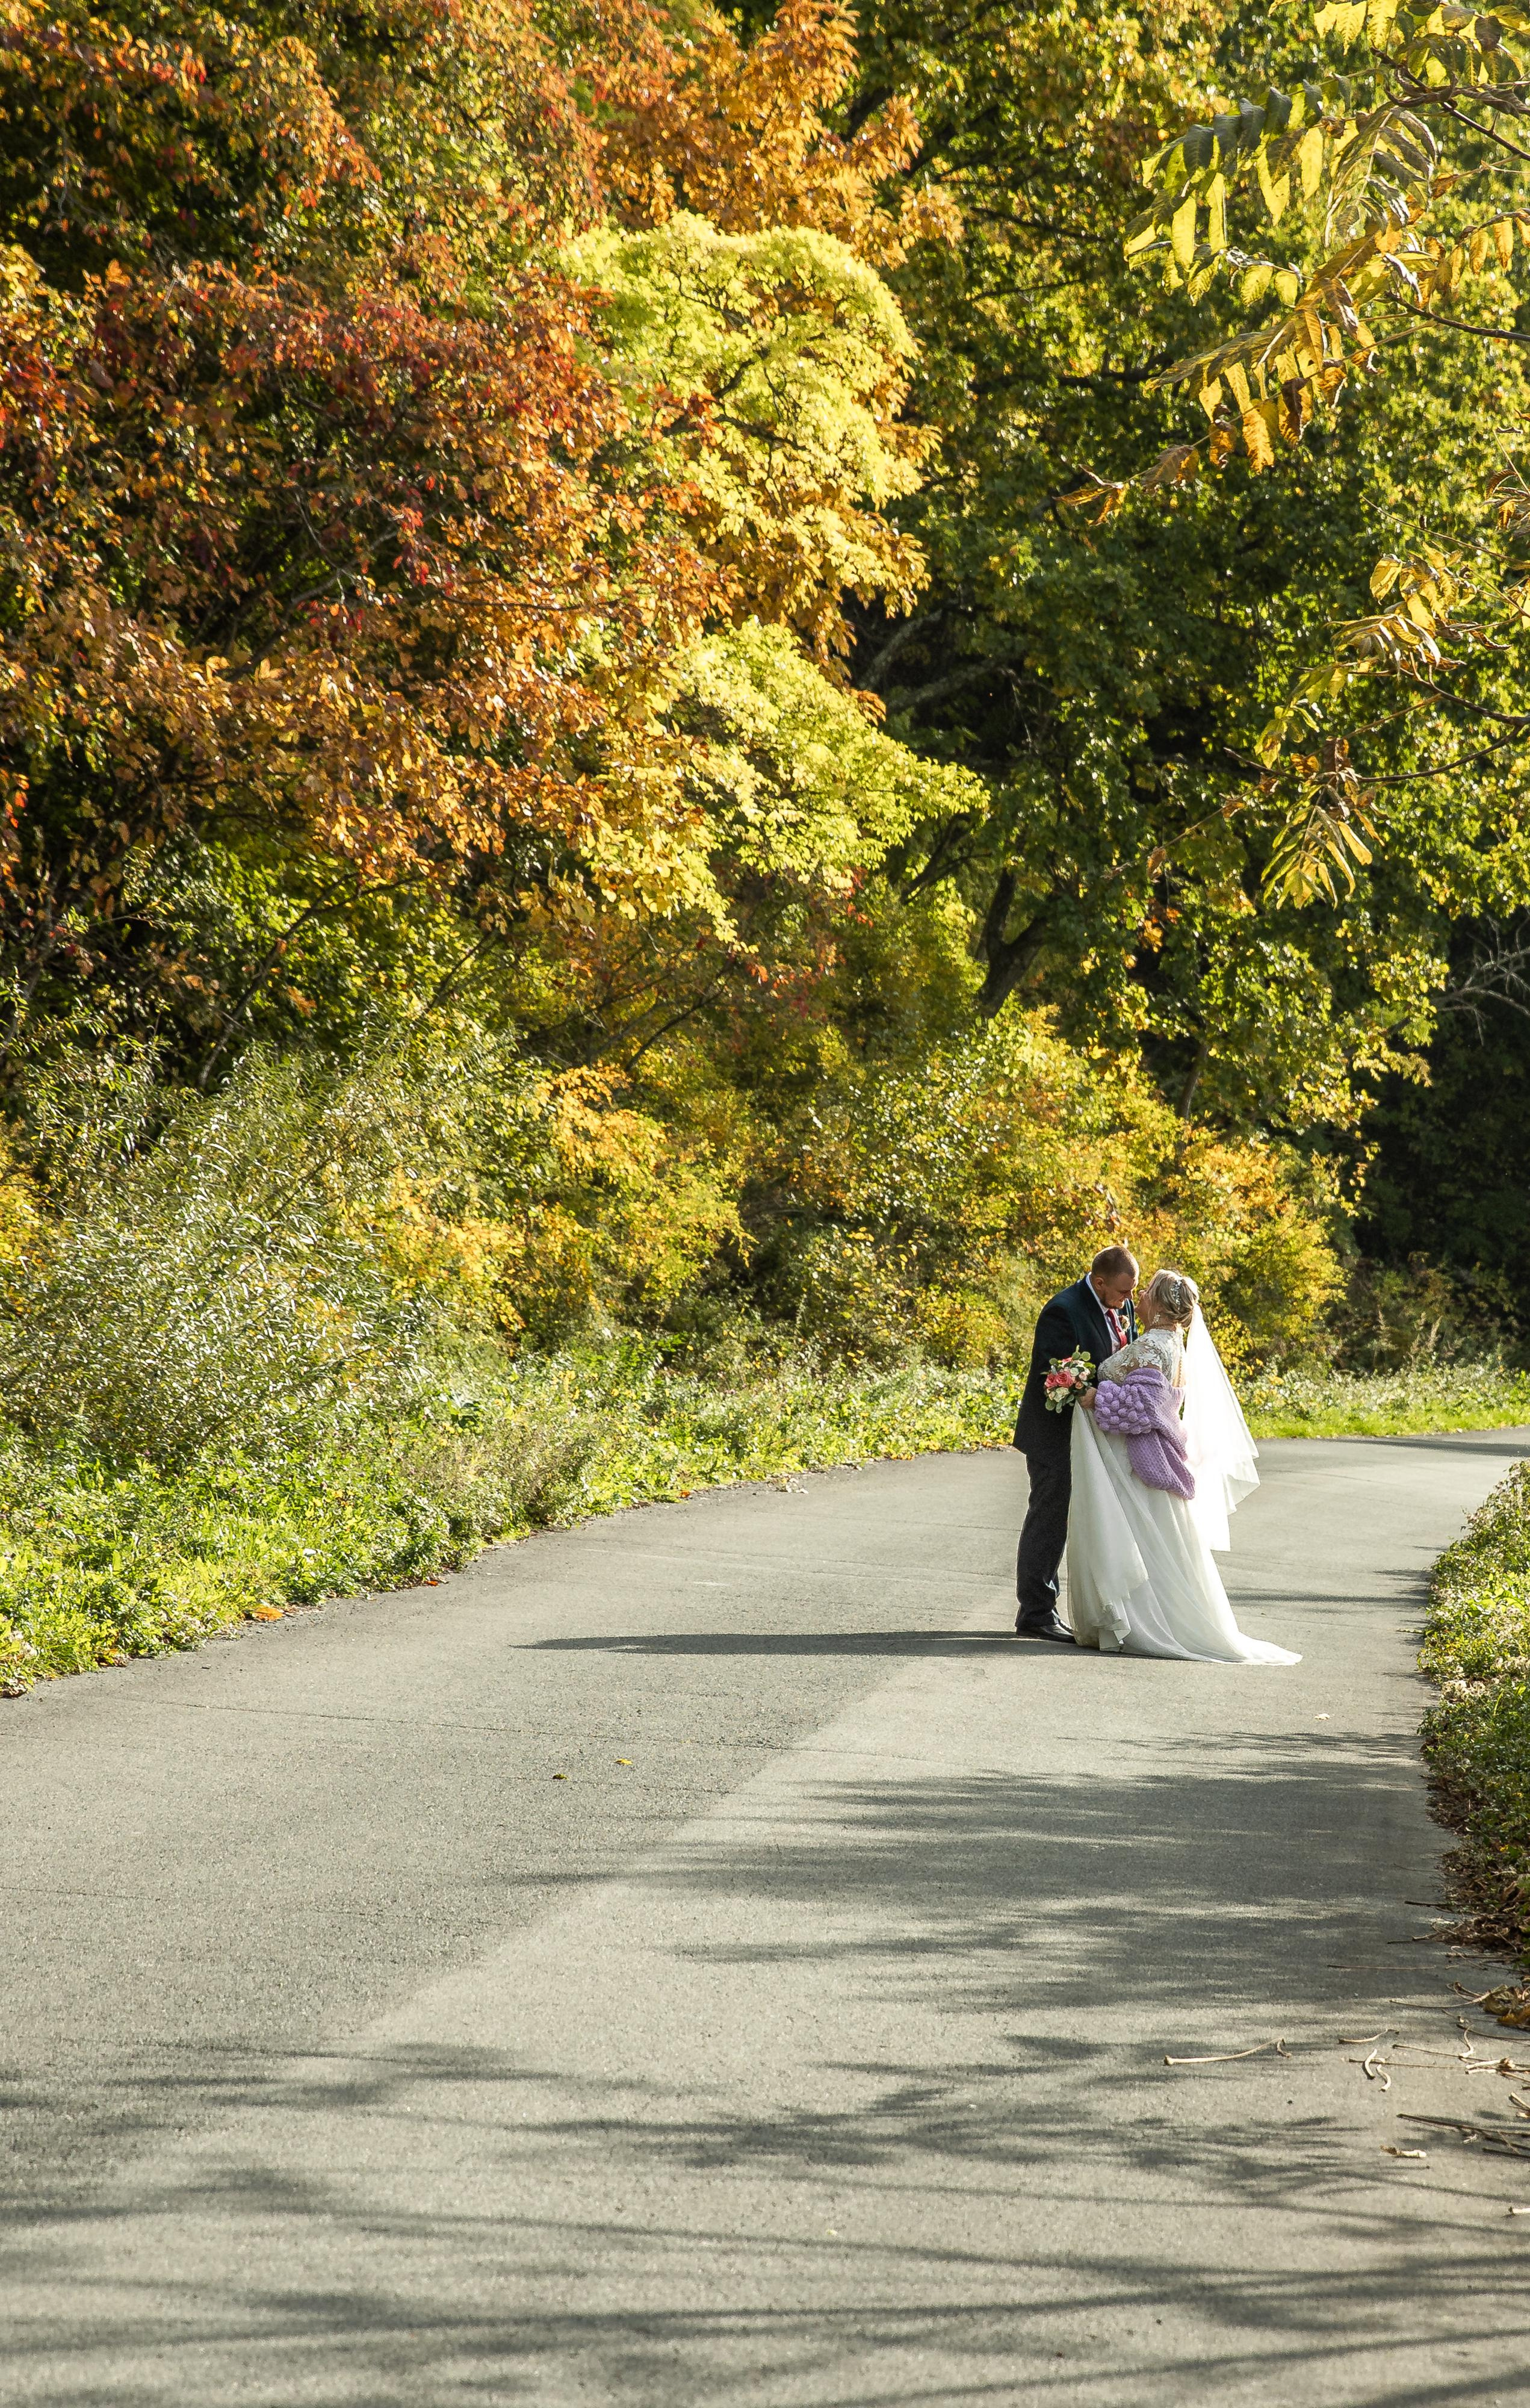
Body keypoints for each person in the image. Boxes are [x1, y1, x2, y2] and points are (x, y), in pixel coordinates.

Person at [1067, 1267, 1299, 1663]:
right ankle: (1162, 1617)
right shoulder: (1174, 1345)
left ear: (1157, 1305)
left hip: (1135, 1462)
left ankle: (1141, 1622)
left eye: (1144, 1294)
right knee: (1161, 1543)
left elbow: (1140, 1410)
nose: (1136, 1299)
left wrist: (1093, 1395)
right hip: (1155, 1456)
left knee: (1137, 1540)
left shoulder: (1151, 1347)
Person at [1012, 1245, 1139, 1643]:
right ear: (1099, 1282)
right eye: (1122, 1292)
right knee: (1051, 1520)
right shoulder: (1063, 1310)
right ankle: (1036, 1612)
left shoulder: (1122, 1304)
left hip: (1095, 1436)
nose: (1129, 1301)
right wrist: (1092, 1394)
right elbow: (1055, 1378)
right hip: (1055, 1435)